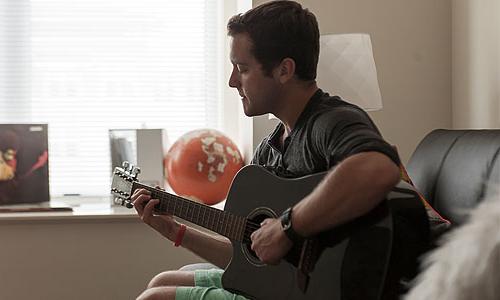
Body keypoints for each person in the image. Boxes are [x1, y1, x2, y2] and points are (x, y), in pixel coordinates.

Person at [132, 1, 429, 299]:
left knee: (153, 298)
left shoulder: (331, 121)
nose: (232, 81)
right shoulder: (271, 148)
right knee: (164, 280)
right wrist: (176, 232)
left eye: (243, 68)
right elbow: (253, 258)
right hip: (287, 286)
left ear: (285, 70)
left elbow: (379, 168)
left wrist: (287, 228)